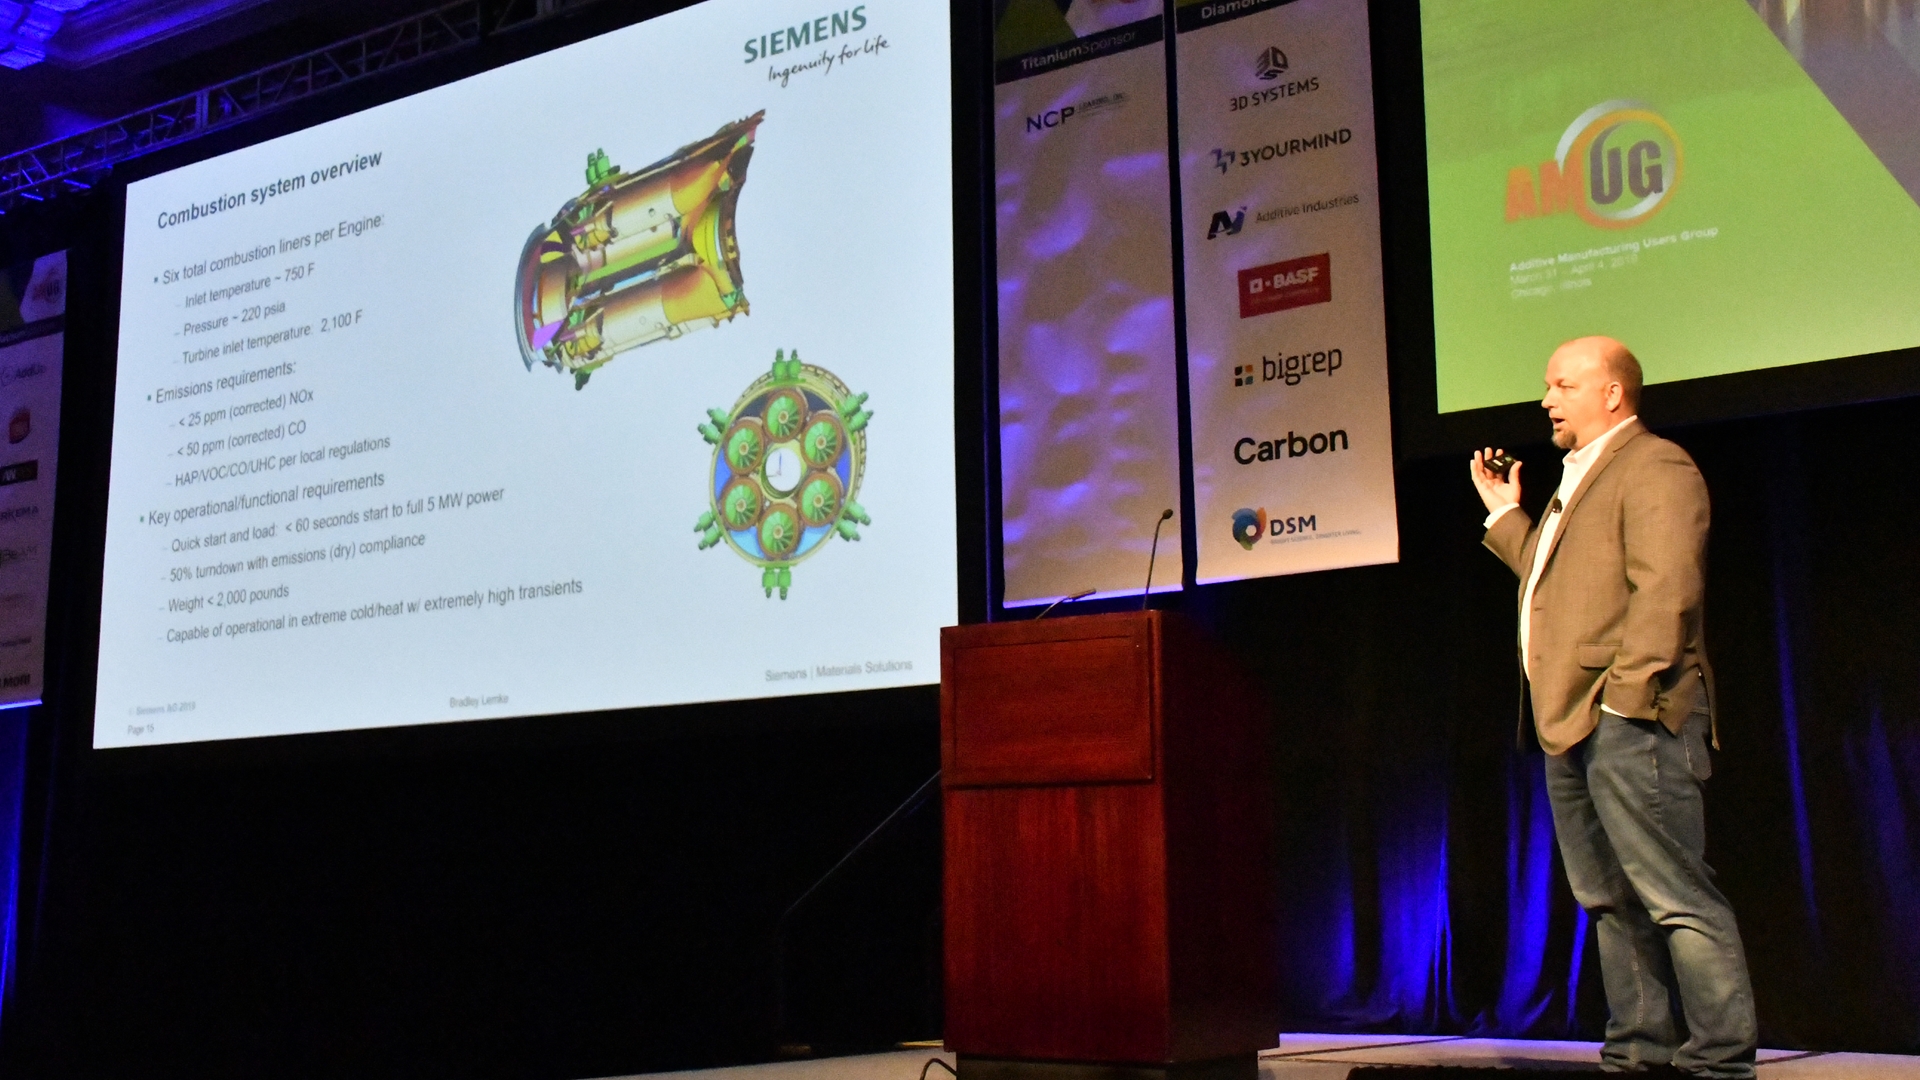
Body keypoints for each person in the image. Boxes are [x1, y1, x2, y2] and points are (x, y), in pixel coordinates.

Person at [1468, 336, 1757, 1078]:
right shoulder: (1578, 477)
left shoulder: (1655, 465)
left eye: (1562, 385)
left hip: (1630, 715)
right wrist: (1507, 515)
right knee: (1608, 899)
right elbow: (1556, 582)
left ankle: (1720, 1062)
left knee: (1675, 893)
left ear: (1611, 393)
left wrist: (1627, 700)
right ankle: (1637, 1054)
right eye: (1547, 386)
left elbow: (1667, 589)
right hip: (1568, 721)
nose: (1547, 400)